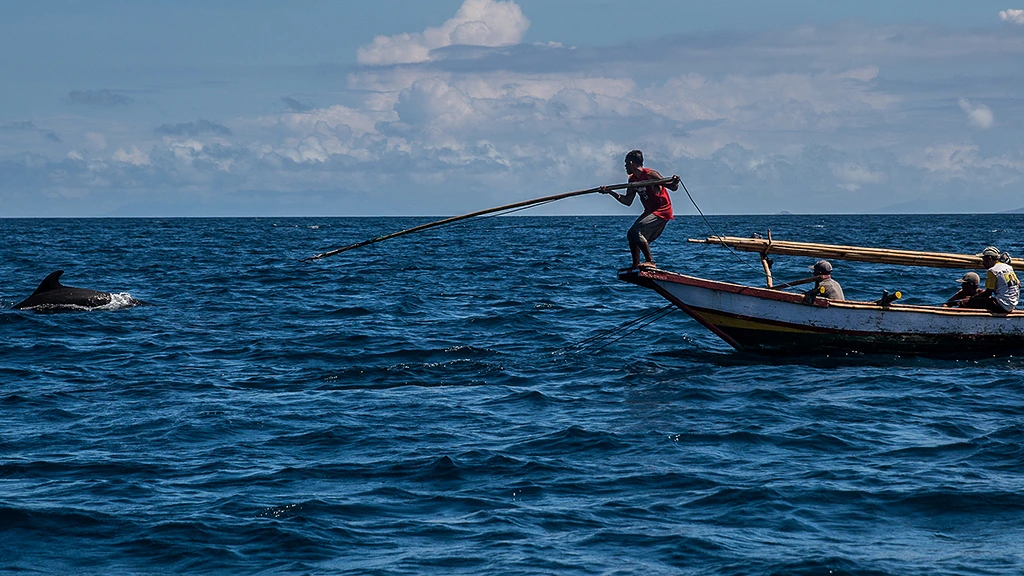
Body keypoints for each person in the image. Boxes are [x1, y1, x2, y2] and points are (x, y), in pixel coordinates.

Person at [601, 150, 680, 269]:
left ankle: (650, 261)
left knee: (636, 231)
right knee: (631, 234)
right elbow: (627, 201)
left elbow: (672, 187)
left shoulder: (650, 174)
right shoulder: (632, 180)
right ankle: (635, 265)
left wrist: (675, 181)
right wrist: (610, 192)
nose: (625, 167)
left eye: (626, 164)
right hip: (649, 211)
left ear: (631, 163)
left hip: (662, 210)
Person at [963, 246, 1020, 313]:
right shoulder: (1008, 267)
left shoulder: (993, 271)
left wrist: (972, 299)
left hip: (1002, 305)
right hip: (1012, 304)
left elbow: (988, 293)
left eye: (984, 260)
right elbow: (1019, 284)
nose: (983, 263)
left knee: (968, 302)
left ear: (989, 258)